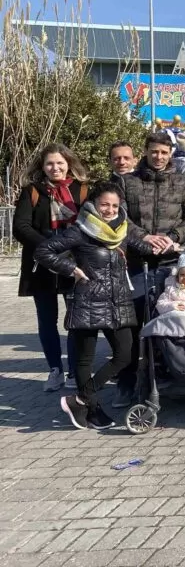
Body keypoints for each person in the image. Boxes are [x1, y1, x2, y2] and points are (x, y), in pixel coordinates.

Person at [34, 182, 153, 429]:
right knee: (84, 360)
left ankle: (79, 399)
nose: (110, 210)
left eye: (114, 206)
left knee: (125, 354)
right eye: (104, 205)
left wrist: (174, 243)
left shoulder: (121, 230)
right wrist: (71, 268)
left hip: (118, 302)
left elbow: (146, 247)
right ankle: (92, 410)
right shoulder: (80, 230)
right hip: (88, 301)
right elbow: (43, 251)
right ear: (93, 205)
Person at [116, 131, 185, 406]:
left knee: (170, 322)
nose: (159, 156)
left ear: (171, 153)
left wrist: (173, 238)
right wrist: (144, 237)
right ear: (145, 151)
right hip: (136, 264)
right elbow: (120, 218)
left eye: (164, 152)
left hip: (170, 264)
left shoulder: (182, 181)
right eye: (154, 151)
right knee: (131, 327)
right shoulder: (127, 182)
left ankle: (169, 377)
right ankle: (127, 384)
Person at [13, 143, 90, 392]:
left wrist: (68, 248)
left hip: (74, 263)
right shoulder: (32, 191)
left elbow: (91, 224)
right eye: (49, 163)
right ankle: (55, 369)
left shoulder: (82, 190)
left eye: (59, 163)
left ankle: (74, 371)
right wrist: (49, 247)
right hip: (41, 264)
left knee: (75, 320)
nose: (55, 168)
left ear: (69, 164)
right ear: (42, 166)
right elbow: (21, 227)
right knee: (47, 320)